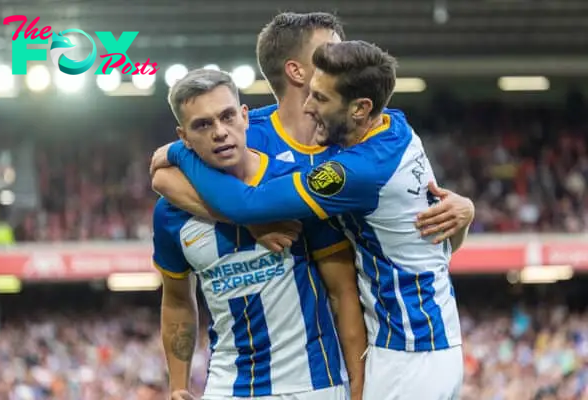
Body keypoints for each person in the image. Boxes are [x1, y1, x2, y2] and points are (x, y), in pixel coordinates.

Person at [155, 41, 468, 400]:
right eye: (203, 125)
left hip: (411, 349)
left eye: (320, 99)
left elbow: (246, 206)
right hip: (413, 340)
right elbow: (435, 243)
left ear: (360, 109)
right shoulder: (393, 125)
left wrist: (178, 154)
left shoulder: (353, 171)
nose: (307, 107)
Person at [151, 12, 474, 248]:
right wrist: (247, 221)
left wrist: (464, 214)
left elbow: (429, 236)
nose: (344, 57)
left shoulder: (364, 134)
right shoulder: (244, 132)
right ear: (296, 71)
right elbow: (162, 178)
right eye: (330, 52)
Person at [153, 68, 366, 400]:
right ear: (183, 138)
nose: (220, 132)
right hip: (227, 388)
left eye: (226, 117)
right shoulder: (170, 213)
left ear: (245, 117)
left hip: (313, 385)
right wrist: (178, 385)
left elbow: (343, 292)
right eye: (203, 124)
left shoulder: (293, 185)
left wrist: (358, 387)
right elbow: (178, 300)